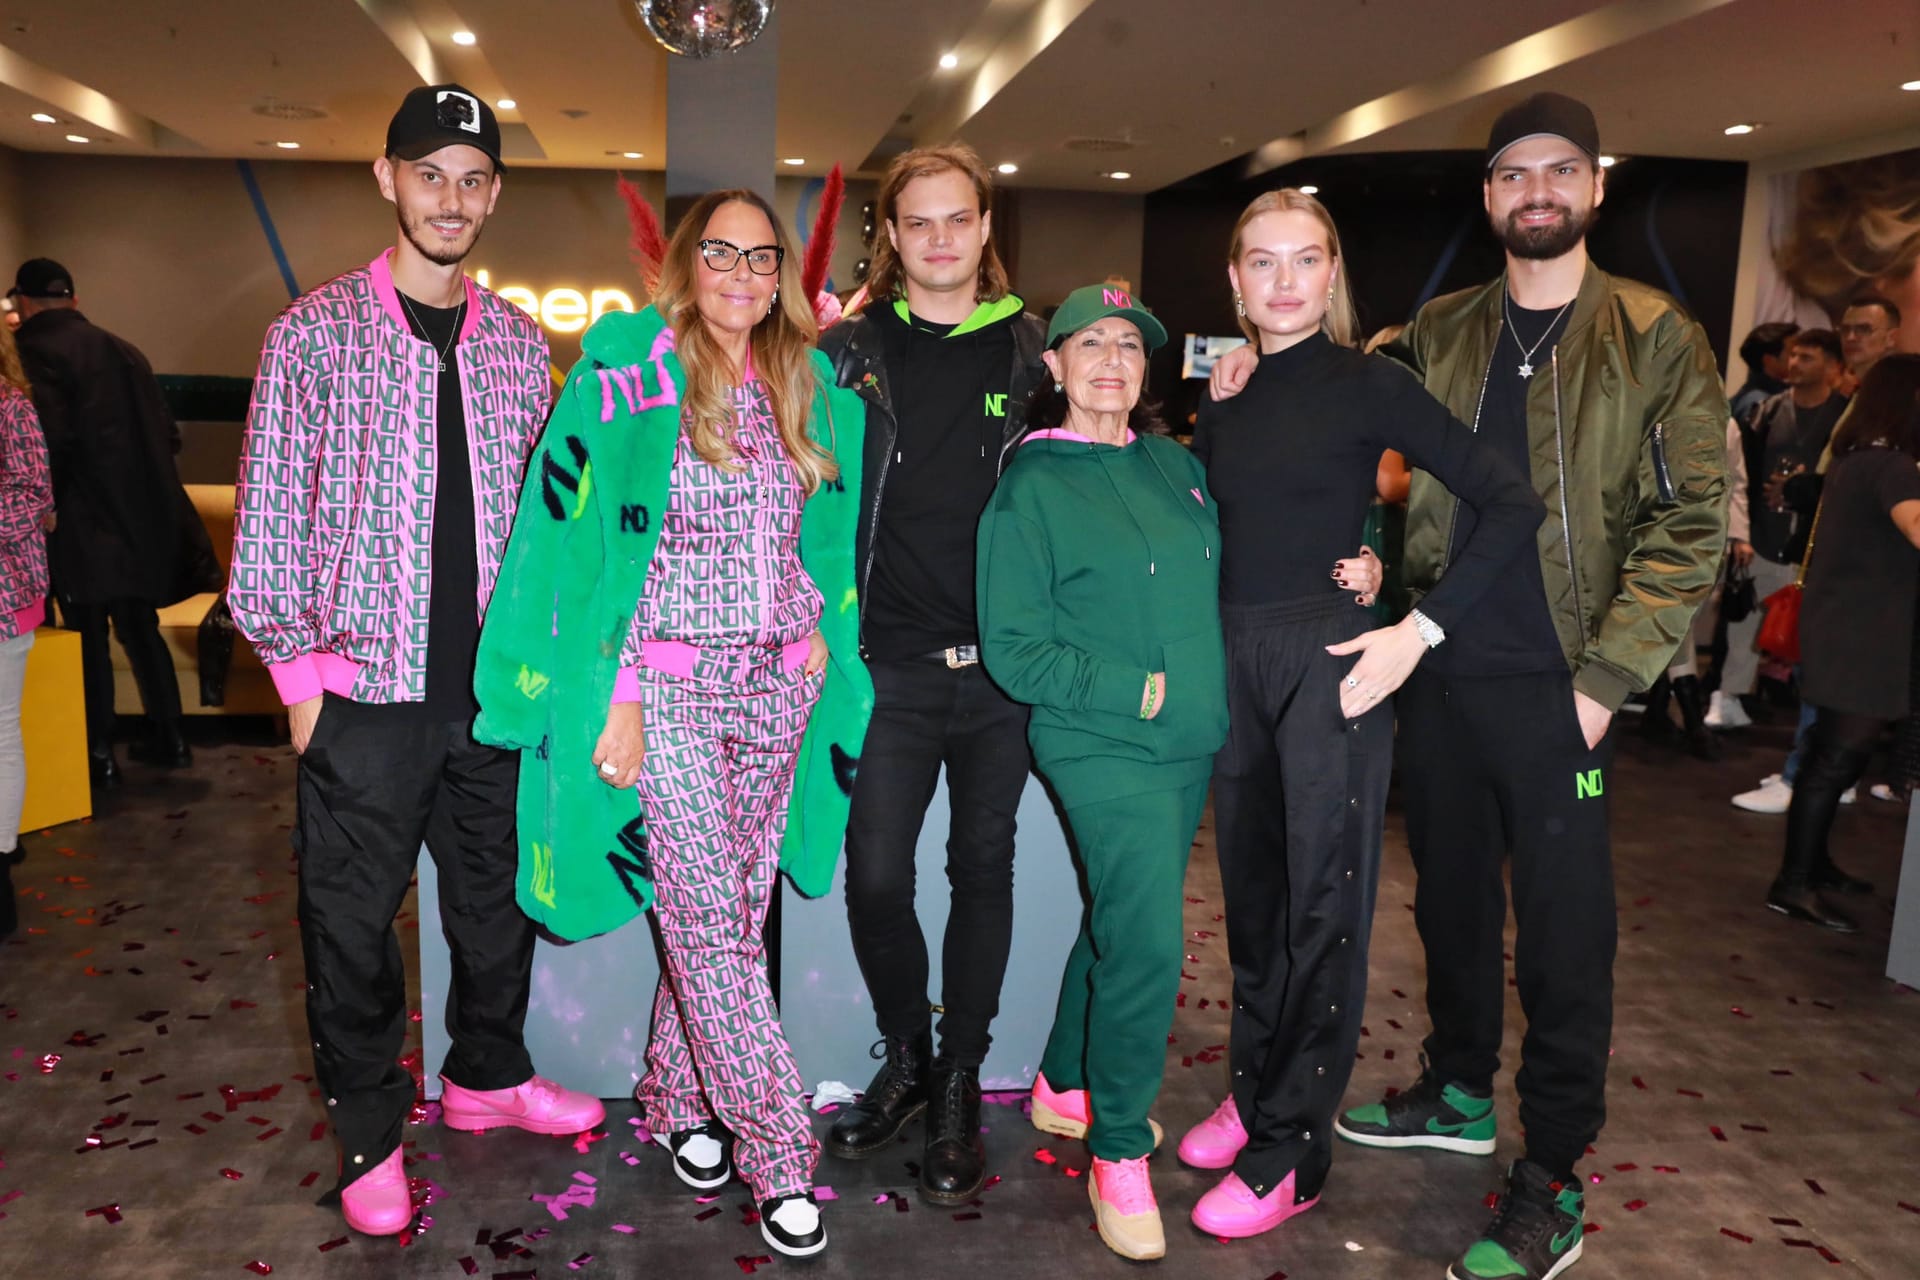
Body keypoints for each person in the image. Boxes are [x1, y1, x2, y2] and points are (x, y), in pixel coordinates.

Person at [1215, 92, 1727, 1280]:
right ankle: (1455, 1084)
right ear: (1491, 195)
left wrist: (1606, 678)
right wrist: (1254, 367)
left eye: (1559, 171)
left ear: (1595, 187)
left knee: (1562, 932)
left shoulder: (1654, 335)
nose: (1535, 190)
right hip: (1426, 667)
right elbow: (1346, 434)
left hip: (1561, 678)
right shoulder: (1442, 326)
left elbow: (1692, 520)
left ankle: (1550, 1171)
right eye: (1512, 174)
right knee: (1445, 899)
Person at [816, 144, 1385, 1201]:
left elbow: (1229, 493)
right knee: (879, 874)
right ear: (893, 238)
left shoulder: (1034, 347)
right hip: (890, 661)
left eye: (960, 219)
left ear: (987, 231)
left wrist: (1363, 542)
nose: (940, 238)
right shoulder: (847, 353)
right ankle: (910, 1054)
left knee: (987, 873)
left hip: (1001, 679)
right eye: (919, 222)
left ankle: (960, 1081)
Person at [228, 85, 603, 1240]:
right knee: (351, 925)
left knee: (495, 909)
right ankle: (372, 1136)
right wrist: (301, 686)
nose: (451, 198)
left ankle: (487, 1077)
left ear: (495, 194)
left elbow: (545, 526)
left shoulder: (512, 344)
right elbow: (272, 522)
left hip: (489, 694)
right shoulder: (312, 336)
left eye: (473, 178)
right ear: (387, 179)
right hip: (361, 696)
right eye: (429, 173)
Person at [475, 189, 869, 1261]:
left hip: (780, 686)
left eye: (762, 255)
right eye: (721, 252)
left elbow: (820, 537)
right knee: (705, 922)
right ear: (686, 262)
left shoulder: (804, 377)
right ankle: (779, 1146)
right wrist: (623, 693)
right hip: (674, 690)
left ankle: (673, 1094)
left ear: (782, 269)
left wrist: (819, 630)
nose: (741, 274)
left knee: (726, 923)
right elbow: (589, 540)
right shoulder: (629, 375)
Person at [1184, 189, 1542, 1246]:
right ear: (1237, 281)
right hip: (1232, 655)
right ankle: (1255, 1092)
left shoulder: (1372, 381)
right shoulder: (1226, 391)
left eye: (1306, 260)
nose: (1285, 279)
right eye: (1263, 261)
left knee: (1319, 914)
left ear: (1333, 275)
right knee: (1252, 901)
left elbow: (1507, 500)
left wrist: (1416, 626)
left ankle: (1293, 1147)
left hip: (1330, 661)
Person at [976, 284, 1225, 1260]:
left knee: (1119, 918)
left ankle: (1063, 1084)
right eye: (1092, 343)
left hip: (1190, 740)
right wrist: (1141, 691)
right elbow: (1012, 648)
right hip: (1098, 736)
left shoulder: (1175, 464)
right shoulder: (1029, 486)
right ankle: (1118, 1150)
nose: (1113, 359)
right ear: (1055, 364)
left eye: (1130, 343)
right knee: (1154, 943)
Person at [10, 257, 199, 782]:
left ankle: (95, 753)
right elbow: (168, 435)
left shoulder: (29, 356)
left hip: (77, 524)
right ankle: (172, 738)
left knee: (86, 635)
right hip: (137, 521)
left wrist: (42, 509)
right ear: (73, 300)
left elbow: (49, 446)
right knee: (141, 627)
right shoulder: (124, 350)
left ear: (23, 304)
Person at [1767, 354, 1920, 932]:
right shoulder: (1895, 466)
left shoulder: (1857, 461)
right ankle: (1794, 882)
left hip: (1844, 629)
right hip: (1862, 637)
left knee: (1829, 756)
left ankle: (1811, 865)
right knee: (1835, 760)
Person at [1710, 329, 1846, 733]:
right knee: (1744, 622)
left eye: (1808, 357)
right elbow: (1741, 476)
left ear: (1833, 367)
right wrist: (1741, 532)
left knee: (1810, 633)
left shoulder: (1844, 415)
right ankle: (1728, 696)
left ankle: (1814, 717)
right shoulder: (1766, 412)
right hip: (1764, 537)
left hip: (1813, 545)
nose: (1795, 364)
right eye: (1794, 355)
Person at [0, 319, 52, 941]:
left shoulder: (11, 406)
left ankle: (2, 868)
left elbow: (32, 493)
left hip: (6, 591)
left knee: (1, 731)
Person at [1838, 295, 1902, 389]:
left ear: (1891, 337)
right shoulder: (1850, 391)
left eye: (1864, 329)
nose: (1850, 337)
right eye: (1845, 329)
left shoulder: (1902, 392)